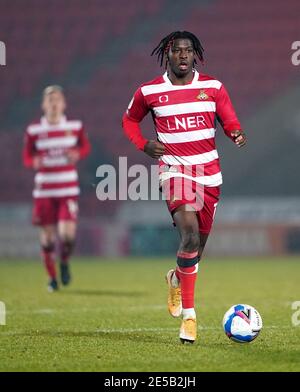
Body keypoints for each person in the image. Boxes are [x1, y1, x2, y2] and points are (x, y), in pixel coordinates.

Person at [122, 31, 246, 343]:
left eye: (188, 51)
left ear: (195, 55)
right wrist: (143, 144)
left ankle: (176, 278)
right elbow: (129, 120)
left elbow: (228, 119)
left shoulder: (213, 87)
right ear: (168, 54)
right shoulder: (150, 91)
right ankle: (190, 318)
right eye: (177, 50)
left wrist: (235, 133)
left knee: (196, 250)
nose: (182, 56)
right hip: (175, 171)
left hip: (210, 175)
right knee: (188, 234)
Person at [23, 85, 91, 292]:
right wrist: (33, 162)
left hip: (67, 190)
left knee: (68, 236)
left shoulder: (74, 126)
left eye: (57, 100)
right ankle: (52, 279)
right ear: (44, 105)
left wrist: (77, 154)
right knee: (48, 240)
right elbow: (27, 157)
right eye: (50, 100)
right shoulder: (35, 131)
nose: (54, 104)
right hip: (44, 191)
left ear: (63, 103)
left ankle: (64, 261)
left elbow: (85, 147)